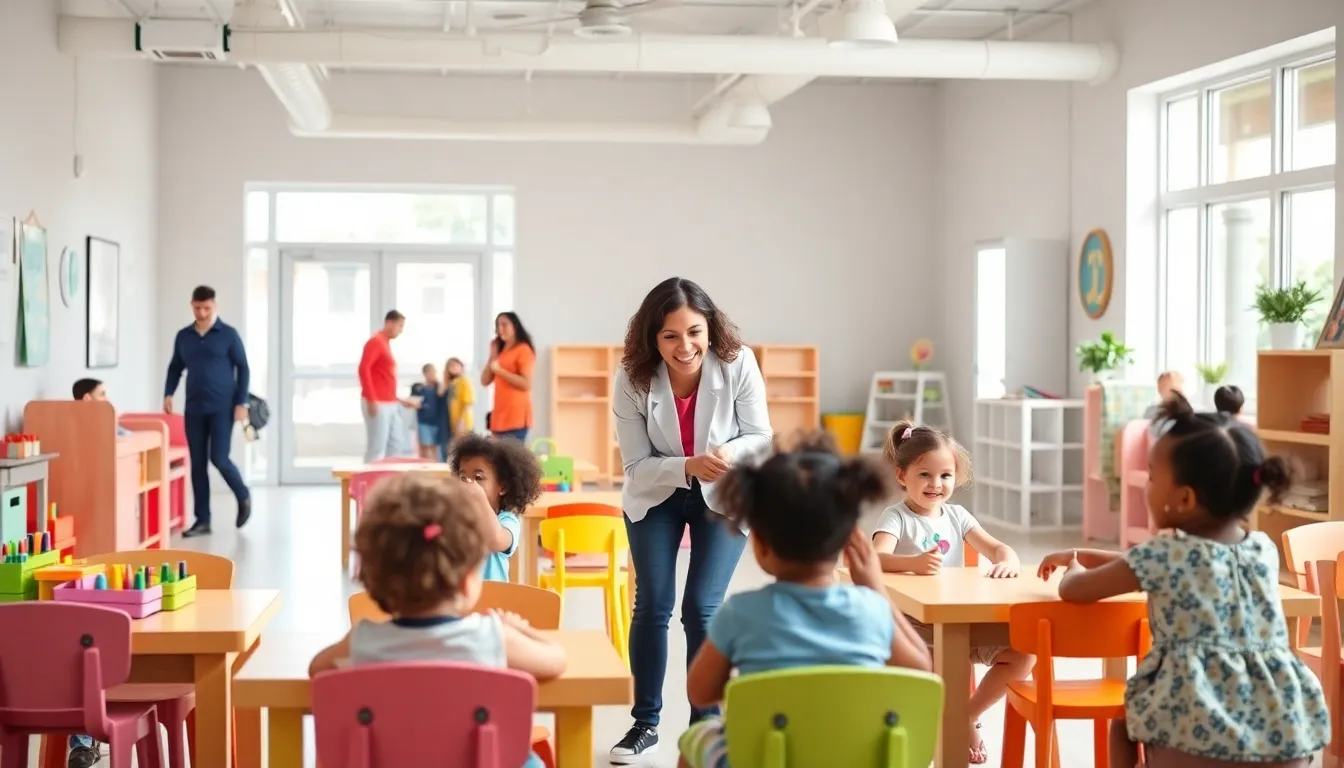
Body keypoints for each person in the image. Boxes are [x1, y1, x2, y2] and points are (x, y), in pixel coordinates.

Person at [1039, 392, 1329, 768]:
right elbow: (1170, 568)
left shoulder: (1163, 557)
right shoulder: (1262, 549)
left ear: (1186, 499)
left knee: (1124, 720)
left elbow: (1074, 590)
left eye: (1153, 477)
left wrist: (1075, 566)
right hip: (1285, 728)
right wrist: (1097, 555)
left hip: (1194, 728)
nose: (1147, 486)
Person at [676, 432, 931, 768]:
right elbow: (922, 672)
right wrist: (876, 589)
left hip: (768, 758)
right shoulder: (870, 609)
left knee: (697, 738)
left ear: (761, 547)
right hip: (853, 758)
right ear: (846, 543)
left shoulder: (740, 614)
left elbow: (699, 692)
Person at [609, 277, 772, 762]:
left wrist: (726, 453)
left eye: (694, 332)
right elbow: (635, 466)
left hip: (723, 492)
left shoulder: (738, 361)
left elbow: (762, 436)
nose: (685, 347)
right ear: (652, 339)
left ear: (710, 327)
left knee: (701, 608)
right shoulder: (632, 378)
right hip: (655, 494)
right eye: (671, 336)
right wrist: (686, 466)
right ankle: (645, 723)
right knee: (653, 605)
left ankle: (706, 728)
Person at [308, 473, 566, 768]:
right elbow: (556, 659)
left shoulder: (362, 641)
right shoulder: (494, 637)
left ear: (377, 582)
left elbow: (317, 670)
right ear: (469, 582)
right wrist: (520, 628)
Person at [871, 421, 1031, 765]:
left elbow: (1000, 548)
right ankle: (941, 725)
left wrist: (1008, 562)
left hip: (964, 623)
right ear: (902, 476)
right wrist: (911, 563)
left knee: (1025, 653)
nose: (935, 484)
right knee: (936, 676)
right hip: (917, 629)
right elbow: (875, 558)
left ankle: (963, 716)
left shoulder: (958, 516)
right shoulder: (896, 517)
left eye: (945, 475)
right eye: (925, 475)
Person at [164, 285, 251, 538]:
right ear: (192, 305)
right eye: (197, 307)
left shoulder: (229, 335)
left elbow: (243, 368)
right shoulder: (183, 336)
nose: (202, 313)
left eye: (207, 308)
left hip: (223, 408)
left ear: (215, 306)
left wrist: (242, 402)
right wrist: (168, 393)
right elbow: (174, 368)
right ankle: (203, 520)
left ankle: (243, 494)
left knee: (219, 458)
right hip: (194, 408)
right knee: (198, 464)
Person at [449, 433, 543, 582]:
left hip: (493, 602)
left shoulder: (507, 521)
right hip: (462, 600)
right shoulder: (458, 518)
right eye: (463, 477)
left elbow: (495, 540)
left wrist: (479, 498)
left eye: (478, 478)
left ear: (503, 486)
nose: (468, 483)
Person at [359, 310, 412, 462]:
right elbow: (364, 369)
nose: (401, 330)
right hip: (378, 402)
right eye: (400, 326)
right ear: (389, 323)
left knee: (396, 443)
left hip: (390, 402)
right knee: (377, 447)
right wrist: (371, 399)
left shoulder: (385, 344)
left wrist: (399, 400)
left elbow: (383, 379)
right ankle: (369, 484)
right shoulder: (375, 341)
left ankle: (388, 483)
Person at [480, 312, 535, 441]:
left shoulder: (523, 350)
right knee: (496, 459)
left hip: (516, 417)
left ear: (515, 326)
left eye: (504, 325)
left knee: (511, 459)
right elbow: (484, 381)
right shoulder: (501, 352)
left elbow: (526, 384)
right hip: (499, 418)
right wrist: (493, 354)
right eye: (497, 325)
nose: (500, 329)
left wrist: (500, 371)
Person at [410, 363, 448, 461]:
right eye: (428, 372)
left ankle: (434, 467)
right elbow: (412, 401)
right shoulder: (419, 388)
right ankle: (426, 467)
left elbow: (442, 394)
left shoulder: (439, 387)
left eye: (433, 372)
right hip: (424, 422)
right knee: (425, 448)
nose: (431, 375)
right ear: (424, 374)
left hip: (437, 422)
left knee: (435, 448)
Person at [443, 357, 475, 453]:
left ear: (461, 366)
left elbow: (468, 403)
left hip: (463, 421)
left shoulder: (465, 381)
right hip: (454, 421)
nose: (453, 368)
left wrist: (461, 422)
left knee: (462, 449)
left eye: (456, 365)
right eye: (450, 366)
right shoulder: (453, 383)